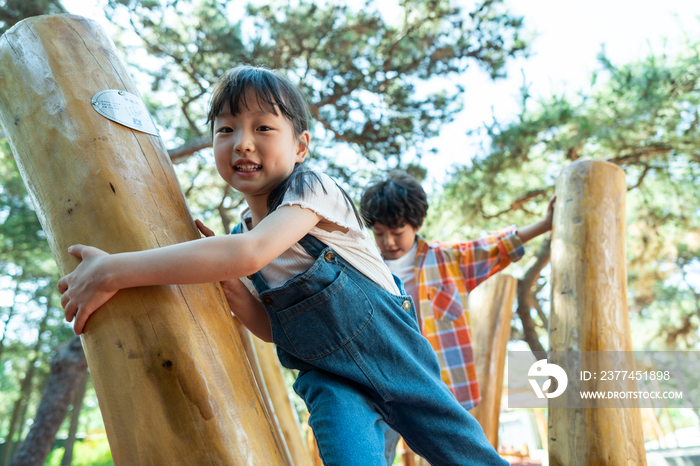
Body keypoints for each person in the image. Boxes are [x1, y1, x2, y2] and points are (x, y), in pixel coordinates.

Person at [59, 65, 510, 466]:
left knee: (467, 456)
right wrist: (233, 285)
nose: (243, 143)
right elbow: (272, 327)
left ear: (301, 146)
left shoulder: (312, 191)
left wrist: (112, 271)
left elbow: (251, 252)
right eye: (226, 130)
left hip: (395, 356)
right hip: (331, 382)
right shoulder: (239, 240)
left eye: (263, 128)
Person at [360, 171, 554, 464]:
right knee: (375, 454)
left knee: (456, 455)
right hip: (388, 381)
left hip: (441, 384)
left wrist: (545, 224)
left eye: (397, 232)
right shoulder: (366, 269)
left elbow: (495, 246)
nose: (388, 241)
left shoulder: (448, 260)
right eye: (379, 233)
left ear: (417, 223)